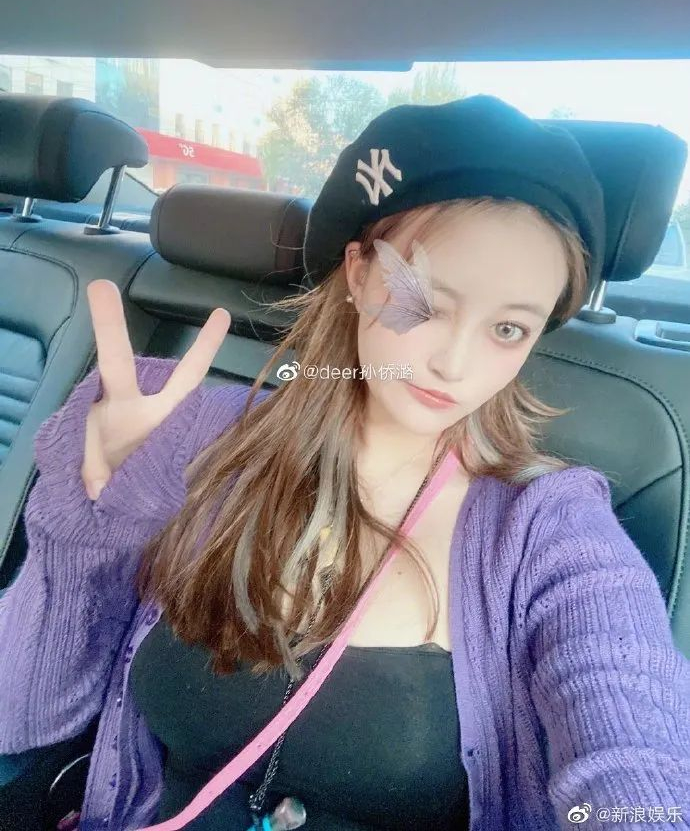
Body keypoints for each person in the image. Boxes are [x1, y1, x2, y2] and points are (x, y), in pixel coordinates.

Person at [1, 94, 689, 831]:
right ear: (358, 273)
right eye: (426, 304)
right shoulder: (176, 433)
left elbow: (633, 757)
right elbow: (24, 716)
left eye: (508, 329)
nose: (455, 364)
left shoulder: (550, 531)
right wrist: (91, 516)